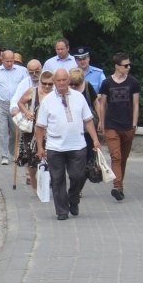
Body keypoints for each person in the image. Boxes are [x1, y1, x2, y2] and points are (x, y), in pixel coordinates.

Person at [34, 69, 102, 220]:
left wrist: (95, 139)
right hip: (55, 146)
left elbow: (88, 120)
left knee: (78, 176)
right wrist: (40, 147)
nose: (62, 83)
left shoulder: (79, 97)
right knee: (57, 179)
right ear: (54, 82)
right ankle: (62, 211)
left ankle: (73, 198)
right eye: (58, 80)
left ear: (68, 80)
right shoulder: (48, 101)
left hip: (77, 145)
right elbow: (40, 126)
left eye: (64, 80)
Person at [97, 53, 140, 201]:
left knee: (123, 158)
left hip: (128, 125)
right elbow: (102, 104)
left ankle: (120, 187)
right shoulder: (107, 83)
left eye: (129, 65)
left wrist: (134, 123)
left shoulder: (133, 82)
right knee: (116, 156)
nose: (128, 67)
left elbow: (136, 104)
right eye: (125, 65)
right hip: (111, 125)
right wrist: (102, 122)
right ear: (117, 66)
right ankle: (116, 186)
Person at [0, 48, 29, 165]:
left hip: (16, 105)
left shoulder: (22, 71)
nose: (9, 63)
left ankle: (14, 152)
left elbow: (27, 88)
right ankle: (4, 155)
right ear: (2, 60)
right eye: (7, 61)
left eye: (11, 61)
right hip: (0, 103)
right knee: (2, 130)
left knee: (15, 131)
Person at [15, 71, 55, 193]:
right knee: (32, 157)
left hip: (50, 130)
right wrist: (26, 112)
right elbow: (20, 102)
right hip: (32, 130)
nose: (47, 86)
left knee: (50, 156)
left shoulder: (56, 94)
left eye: (50, 84)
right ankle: (33, 178)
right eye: (44, 83)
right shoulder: (33, 91)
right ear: (40, 82)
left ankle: (49, 180)